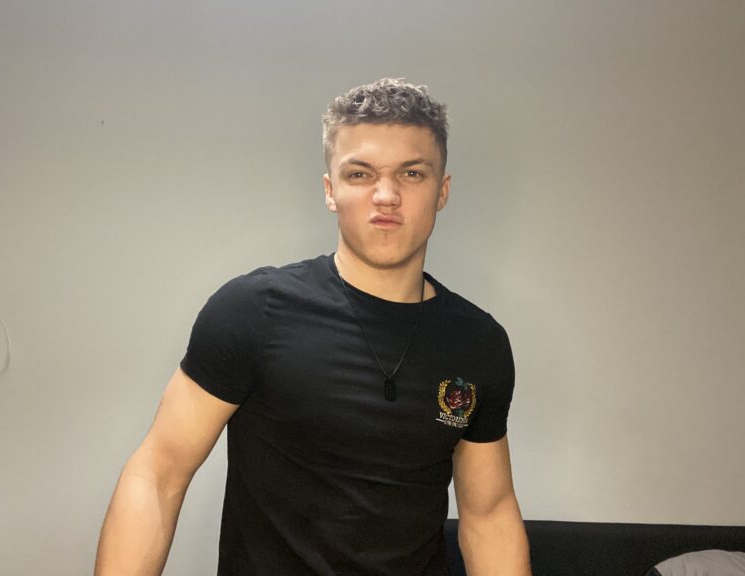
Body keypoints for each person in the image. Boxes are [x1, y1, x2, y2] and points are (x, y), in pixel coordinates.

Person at [94, 78, 532, 576]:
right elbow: (157, 475)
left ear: (442, 191)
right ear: (330, 191)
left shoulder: (478, 343)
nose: (386, 195)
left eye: (411, 173)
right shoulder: (254, 311)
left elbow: (489, 514)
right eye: (360, 174)